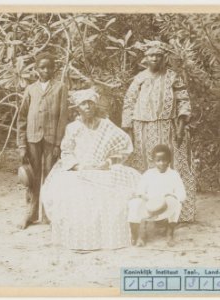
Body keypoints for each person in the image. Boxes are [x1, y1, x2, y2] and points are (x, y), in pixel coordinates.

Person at [41, 89, 141, 250]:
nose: (87, 106)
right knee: (74, 196)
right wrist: (78, 166)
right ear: (77, 108)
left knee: (114, 196)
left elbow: (124, 145)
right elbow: (67, 152)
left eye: (91, 103)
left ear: (95, 106)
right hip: (79, 170)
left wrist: (108, 162)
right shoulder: (72, 128)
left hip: (102, 169)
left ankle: (107, 239)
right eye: (83, 103)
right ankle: (80, 240)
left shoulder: (106, 125)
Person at [122, 40, 196, 222]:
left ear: (164, 58)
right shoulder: (139, 78)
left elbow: (183, 101)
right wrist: (129, 131)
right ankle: (144, 213)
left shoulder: (172, 77)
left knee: (172, 167)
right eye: (151, 55)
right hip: (142, 129)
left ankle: (176, 214)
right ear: (145, 58)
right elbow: (129, 104)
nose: (154, 58)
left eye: (158, 55)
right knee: (144, 168)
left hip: (168, 127)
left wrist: (180, 128)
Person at [16, 52, 69, 229]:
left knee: (49, 176)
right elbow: (22, 117)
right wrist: (22, 144)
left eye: (49, 67)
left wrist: (58, 143)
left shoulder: (61, 87)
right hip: (32, 139)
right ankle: (30, 213)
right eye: (42, 67)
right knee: (32, 177)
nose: (46, 70)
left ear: (54, 68)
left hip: (51, 139)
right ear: (37, 69)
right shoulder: (30, 89)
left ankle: (47, 214)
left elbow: (62, 117)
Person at [128, 144, 186, 247]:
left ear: (169, 160)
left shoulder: (174, 175)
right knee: (134, 203)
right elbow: (140, 190)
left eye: (165, 160)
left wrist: (172, 195)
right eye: (158, 160)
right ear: (153, 161)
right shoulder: (148, 174)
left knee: (177, 203)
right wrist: (143, 196)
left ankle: (170, 234)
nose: (162, 163)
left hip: (166, 205)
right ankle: (140, 235)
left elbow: (182, 194)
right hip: (149, 203)